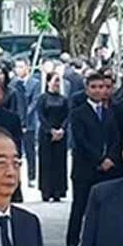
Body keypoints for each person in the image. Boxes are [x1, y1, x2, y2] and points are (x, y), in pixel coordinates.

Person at [66, 72, 117, 246]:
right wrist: (99, 159)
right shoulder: (79, 113)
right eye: (94, 87)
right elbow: (81, 141)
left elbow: (115, 138)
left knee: (103, 207)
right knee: (80, 205)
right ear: (86, 89)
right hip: (85, 166)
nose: (98, 91)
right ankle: (72, 242)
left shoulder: (110, 112)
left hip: (107, 168)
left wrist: (110, 157)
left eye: (101, 87)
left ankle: (99, 241)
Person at [36, 70, 69, 202]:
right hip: (46, 134)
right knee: (46, 163)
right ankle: (46, 191)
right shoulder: (43, 98)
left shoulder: (64, 99)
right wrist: (51, 131)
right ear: (48, 82)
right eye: (55, 80)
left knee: (59, 163)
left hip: (61, 135)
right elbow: (41, 116)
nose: (57, 84)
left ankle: (58, 191)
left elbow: (68, 115)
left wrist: (62, 129)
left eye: (58, 81)